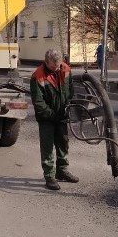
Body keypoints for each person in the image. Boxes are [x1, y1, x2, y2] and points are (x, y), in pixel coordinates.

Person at [30, 49, 79, 190]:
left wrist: (68, 106)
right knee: (47, 146)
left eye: (58, 65)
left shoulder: (66, 69)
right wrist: (53, 115)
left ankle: (62, 171)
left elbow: (71, 91)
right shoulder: (37, 77)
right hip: (46, 118)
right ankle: (49, 176)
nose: (57, 68)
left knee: (63, 143)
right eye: (53, 66)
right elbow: (39, 103)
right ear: (46, 62)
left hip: (62, 115)